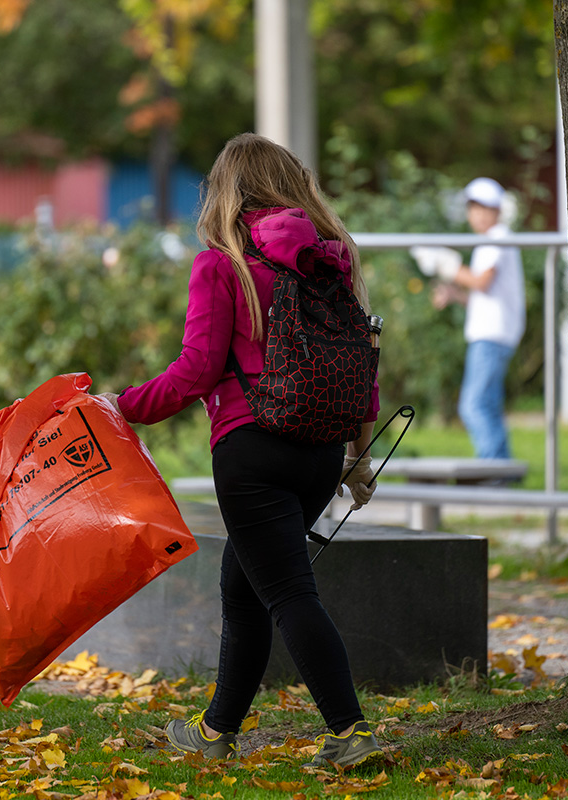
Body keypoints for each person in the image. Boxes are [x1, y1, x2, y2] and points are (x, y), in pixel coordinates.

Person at [98, 133, 384, 768]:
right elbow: (362, 365)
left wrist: (123, 405)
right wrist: (357, 458)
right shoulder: (332, 262)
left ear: (226, 190)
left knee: (287, 592)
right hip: (317, 453)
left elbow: (196, 372)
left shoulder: (222, 264)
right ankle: (216, 731)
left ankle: (351, 731)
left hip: (251, 452)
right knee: (244, 586)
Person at [419, 177, 525, 460]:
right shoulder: (492, 240)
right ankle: (501, 468)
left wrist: (446, 264)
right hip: (495, 332)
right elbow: (484, 294)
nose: (475, 214)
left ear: (496, 210)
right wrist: (455, 294)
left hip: (492, 335)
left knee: (473, 405)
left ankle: (491, 468)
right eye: (472, 208)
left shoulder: (497, 237)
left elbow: (481, 282)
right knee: (488, 404)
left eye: (482, 207)